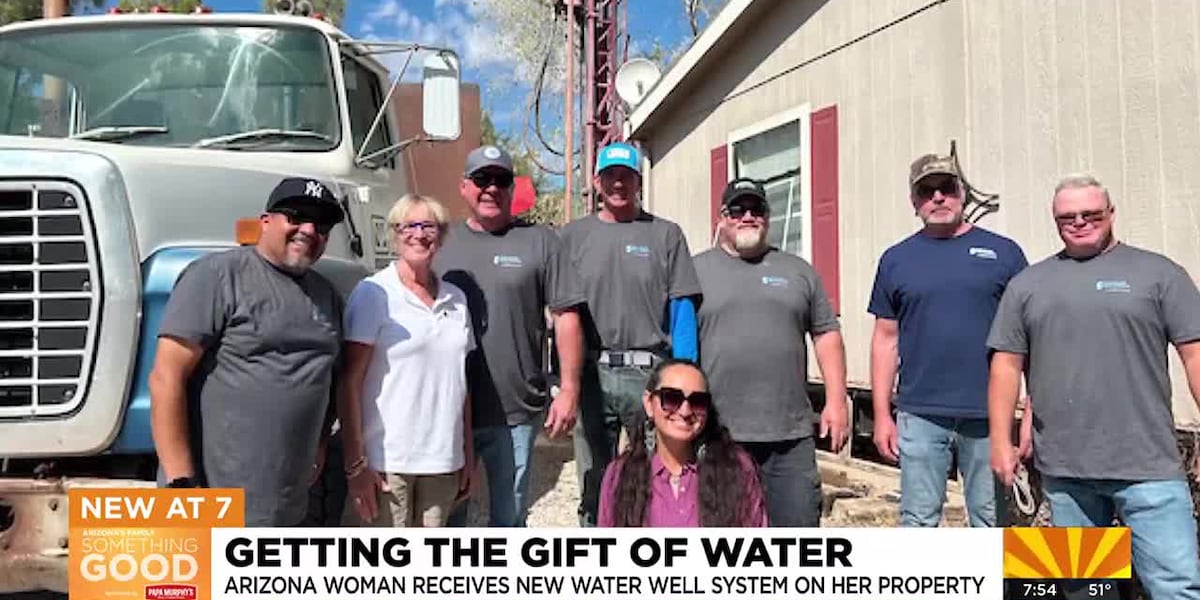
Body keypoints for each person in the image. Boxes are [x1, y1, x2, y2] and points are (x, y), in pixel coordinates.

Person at [988, 174, 1200, 599]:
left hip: (1149, 467)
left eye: (1091, 214)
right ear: (1055, 219)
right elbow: (1006, 366)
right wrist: (1000, 440)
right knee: (1087, 587)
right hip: (1067, 470)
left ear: (1111, 214)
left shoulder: (1158, 274)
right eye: (1068, 216)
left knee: (1175, 586)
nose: (1080, 222)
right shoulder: (1028, 285)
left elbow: (1194, 354)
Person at [149, 177, 346, 527]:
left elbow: (328, 378)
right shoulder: (216, 275)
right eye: (297, 216)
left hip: (289, 505)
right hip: (212, 502)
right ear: (266, 220)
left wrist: (319, 443)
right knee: (191, 585)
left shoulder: (326, 294)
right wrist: (180, 484)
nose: (309, 230)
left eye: (322, 224)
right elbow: (166, 377)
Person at [868, 153, 1028, 528]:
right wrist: (880, 414)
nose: (938, 197)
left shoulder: (1005, 253)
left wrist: (1032, 403)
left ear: (962, 193)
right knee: (918, 520)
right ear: (914, 202)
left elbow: (1029, 336)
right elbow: (885, 340)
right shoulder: (896, 259)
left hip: (990, 415)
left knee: (989, 520)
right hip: (920, 413)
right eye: (927, 191)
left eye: (947, 188)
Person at [435, 145, 585, 528]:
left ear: (511, 188)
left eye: (501, 180)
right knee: (445, 517)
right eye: (482, 179)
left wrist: (569, 390)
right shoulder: (439, 241)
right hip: (448, 409)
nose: (491, 188)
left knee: (510, 517)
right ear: (464, 187)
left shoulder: (541, 241)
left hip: (515, 410)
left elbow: (566, 315)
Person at [559, 141, 704, 527]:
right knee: (596, 480)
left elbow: (682, 308)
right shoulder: (571, 237)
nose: (618, 184)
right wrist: (563, 381)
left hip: (651, 373)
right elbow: (561, 313)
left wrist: (684, 377)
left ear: (639, 180)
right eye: (611, 176)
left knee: (658, 474)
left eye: (627, 176)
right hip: (592, 373)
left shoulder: (665, 234)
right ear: (596, 180)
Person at [693, 178, 848, 527]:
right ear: (722, 217)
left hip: (790, 438)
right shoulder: (694, 270)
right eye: (738, 209)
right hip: (720, 435)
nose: (748, 216)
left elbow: (826, 335)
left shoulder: (798, 271)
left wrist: (837, 402)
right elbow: (678, 345)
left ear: (767, 216)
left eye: (757, 209)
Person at [337, 194, 475, 528]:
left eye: (429, 226)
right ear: (395, 235)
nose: (418, 233)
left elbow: (460, 383)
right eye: (408, 226)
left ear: (441, 236)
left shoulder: (456, 299)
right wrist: (355, 464)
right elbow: (349, 382)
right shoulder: (374, 293)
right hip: (388, 461)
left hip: (442, 459)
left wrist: (467, 455)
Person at [597, 358, 768, 527]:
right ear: (649, 403)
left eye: (697, 401)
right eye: (671, 398)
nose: (685, 411)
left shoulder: (737, 469)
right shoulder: (620, 475)